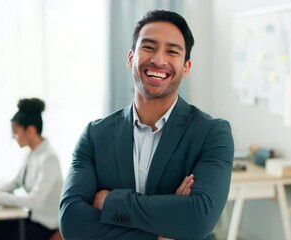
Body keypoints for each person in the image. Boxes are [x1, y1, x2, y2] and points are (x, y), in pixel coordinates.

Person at [59, 10, 234, 240]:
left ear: (186, 67)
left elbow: (199, 219)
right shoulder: (95, 135)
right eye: (149, 47)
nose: (159, 60)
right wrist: (163, 229)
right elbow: (72, 222)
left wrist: (110, 202)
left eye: (172, 51)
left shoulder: (212, 133)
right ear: (131, 58)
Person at [0, 98, 63, 240]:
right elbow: (16, 182)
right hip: (31, 218)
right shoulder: (32, 153)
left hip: (45, 226)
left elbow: (33, 201)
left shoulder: (49, 159)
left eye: (16, 132)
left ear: (30, 130)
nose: (13, 137)